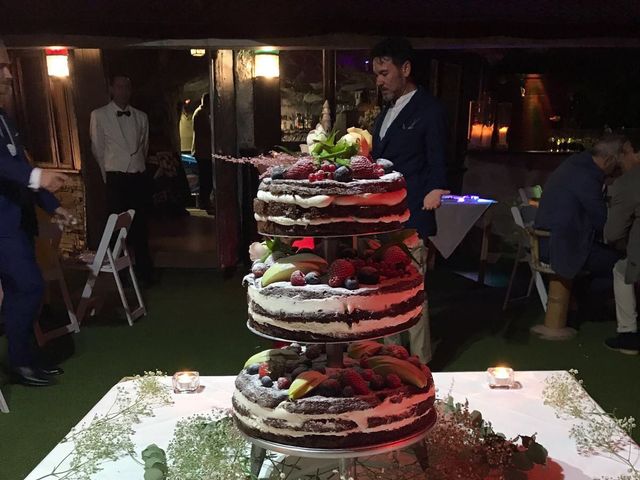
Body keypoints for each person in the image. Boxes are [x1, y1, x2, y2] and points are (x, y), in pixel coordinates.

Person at [370, 37, 449, 363]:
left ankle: (421, 363)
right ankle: (392, 359)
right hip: (381, 215)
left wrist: (438, 188)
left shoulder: (429, 109)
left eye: (385, 73)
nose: (379, 81)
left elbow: (439, 157)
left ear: (405, 69)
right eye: (377, 74)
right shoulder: (385, 111)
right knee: (384, 290)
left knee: (412, 291)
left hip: (413, 213)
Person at [1, 103, 70, 386]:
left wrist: (52, 205)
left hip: (18, 220)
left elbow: (20, 168)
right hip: (2, 225)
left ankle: (26, 356)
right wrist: (37, 176)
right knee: (29, 287)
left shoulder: (5, 115)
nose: (7, 75)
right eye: (2, 67)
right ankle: (18, 361)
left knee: (23, 290)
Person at [90, 74, 153, 283]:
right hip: (115, 177)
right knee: (116, 228)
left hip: (137, 175)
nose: (123, 91)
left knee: (140, 226)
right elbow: (97, 148)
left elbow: (144, 147)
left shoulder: (141, 116)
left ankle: (144, 272)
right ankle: (119, 274)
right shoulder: (99, 115)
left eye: (127, 87)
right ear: (112, 89)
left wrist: (138, 168)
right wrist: (107, 174)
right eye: (119, 87)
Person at [604, 137, 640, 354]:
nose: (621, 159)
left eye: (625, 153)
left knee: (621, 270)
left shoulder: (630, 181)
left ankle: (628, 334)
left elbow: (613, 232)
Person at [191, 92, 214, 213]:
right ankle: (204, 202)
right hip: (203, 152)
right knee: (206, 178)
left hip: (203, 151)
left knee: (205, 177)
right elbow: (207, 132)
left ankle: (204, 201)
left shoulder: (201, 113)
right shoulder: (201, 114)